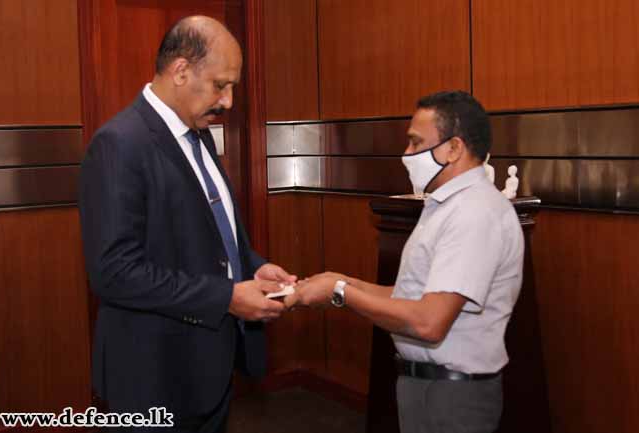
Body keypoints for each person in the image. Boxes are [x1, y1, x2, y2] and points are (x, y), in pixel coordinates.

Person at [79, 16, 294, 433]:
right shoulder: (119, 144)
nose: (229, 101)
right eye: (221, 85)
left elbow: (209, 232)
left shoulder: (200, 136)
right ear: (180, 71)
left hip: (207, 370)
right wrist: (226, 297)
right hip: (153, 374)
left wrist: (252, 266)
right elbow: (114, 273)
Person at [286, 91, 524, 433]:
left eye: (416, 143)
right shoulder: (446, 207)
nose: (407, 154)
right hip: (428, 388)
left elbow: (429, 322)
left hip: (453, 397)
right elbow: (411, 297)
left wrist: (340, 292)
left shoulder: (475, 213)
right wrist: (343, 282)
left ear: (454, 148)